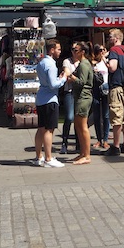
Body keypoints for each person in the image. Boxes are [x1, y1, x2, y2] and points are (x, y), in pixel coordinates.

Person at [33, 39, 68, 168]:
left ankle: (39, 156)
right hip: (50, 100)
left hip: (41, 98)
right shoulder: (51, 64)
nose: (60, 51)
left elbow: (48, 81)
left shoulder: (41, 62)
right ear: (52, 50)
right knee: (49, 130)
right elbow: (53, 85)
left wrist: (57, 79)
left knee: (41, 128)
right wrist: (63, 79)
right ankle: (48, 158)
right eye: (58, 49)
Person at [105, 29, 124, 156]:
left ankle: (115, 146)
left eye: (110, 36)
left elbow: (113, 67)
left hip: (116, 87)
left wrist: (105, 61)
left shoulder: (114, 51)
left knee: (116, 117)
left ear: (116, 38)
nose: (109, 38)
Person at [69, 41, 94, 165]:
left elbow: (81, 82)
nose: (73, 52)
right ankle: (83, 153)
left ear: (82, 52)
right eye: (73, 50)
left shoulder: (84, 64)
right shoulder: (82, 64)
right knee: (78, 126)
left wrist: (71, 77)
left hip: (83, 98)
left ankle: (87, 155)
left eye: (76, 50)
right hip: (80, 97)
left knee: (83, 127)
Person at [91, 44, 110, 149]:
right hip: (96, 89)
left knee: (106, 115)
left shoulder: (106, 61)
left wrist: (104, 59)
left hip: (106, 88)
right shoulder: (93, 63)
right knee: (97, 115)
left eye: (104, 49)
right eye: (100, 50)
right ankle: (99, 139)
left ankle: (105, 140)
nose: (102, 52)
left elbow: (111, 69)